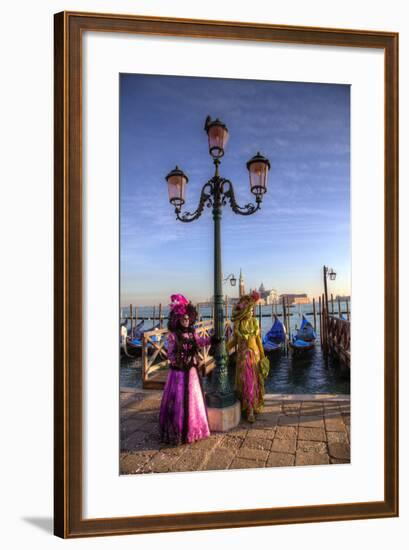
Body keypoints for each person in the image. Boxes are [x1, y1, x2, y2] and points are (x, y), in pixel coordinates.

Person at [159, 294, 212, 445]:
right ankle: (180, 432)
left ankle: (195, 429)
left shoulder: (192, 332)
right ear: (177, 318)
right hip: (179, 374)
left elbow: (200, 342)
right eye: (183, 318)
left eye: (188, 317)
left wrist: (211, 339)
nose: (186, 320)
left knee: (194, 400)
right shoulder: (173, 336)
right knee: (179, 403)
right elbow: (169, 354)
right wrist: (179, 362)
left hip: (192, 372)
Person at [227, 291, 269, 423]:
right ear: (244, 310)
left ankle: (252, 407)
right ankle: (248, 408)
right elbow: (234, 341)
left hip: (254, 357)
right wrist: (224, 348)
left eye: (252, 310)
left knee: (254, 382)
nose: (251, 312)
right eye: (249, 310)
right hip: (242, 358)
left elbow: (258, 341)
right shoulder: (238, 324)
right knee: (246, 382)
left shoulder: (255, 323)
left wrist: (262, 356)